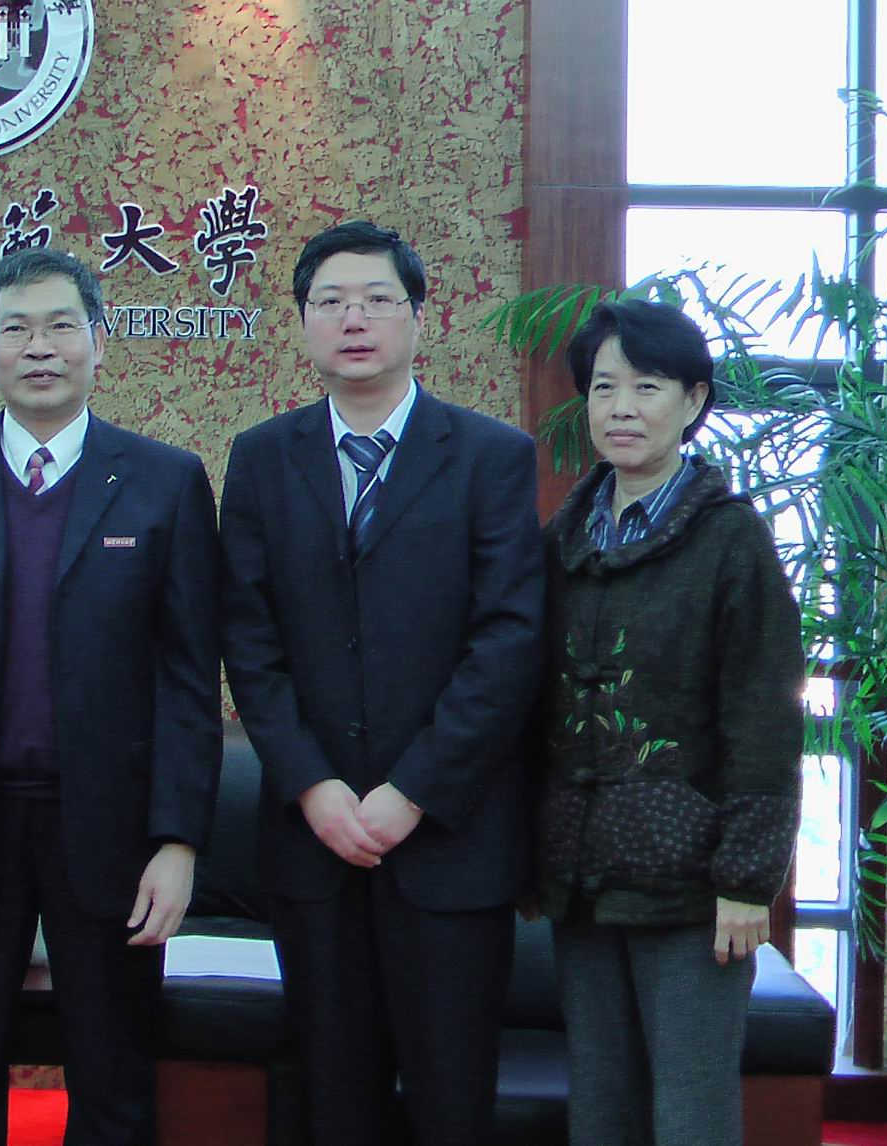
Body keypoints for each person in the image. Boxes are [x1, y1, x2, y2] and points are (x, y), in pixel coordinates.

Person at [0, 247, 222, 1146]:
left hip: (110, 831)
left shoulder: (164, 481)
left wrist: (178, 840)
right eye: (17, 328)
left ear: (99, 342)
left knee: (114, 1086)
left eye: (63, 326)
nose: (40, 347)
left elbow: (189, 678)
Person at [219, 219, 545, 1146]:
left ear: (417, 319)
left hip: (448, 840)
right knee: (333, 1098)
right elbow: (249, 640)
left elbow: (508, 641)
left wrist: (413, 791)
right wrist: (313, 786)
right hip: (313, 842)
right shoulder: (262, 458)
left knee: (451, 1102)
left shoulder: (490, 456)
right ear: (303, 323)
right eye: (330, 302)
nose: (353, 319)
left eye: (375, 300)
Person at [538, 298, 803, 1146]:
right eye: (603, 387)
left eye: (647, 387)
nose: (621, 408)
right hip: (585, 878)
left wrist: (747, 880)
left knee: (690, 1111)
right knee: (600, 1103)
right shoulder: (563, 540)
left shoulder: (731, 541)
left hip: (693, 886)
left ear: (692, 402)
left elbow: (766, 717)